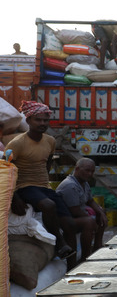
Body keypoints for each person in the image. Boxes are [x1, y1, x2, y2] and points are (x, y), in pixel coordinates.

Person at [5, 101, 75, 259]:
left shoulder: (50, 141)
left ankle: (73, 265)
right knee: (48, 205)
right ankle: (59, 244)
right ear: (28, 120)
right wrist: (14, 196)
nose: (42, 123)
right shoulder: (15, 144)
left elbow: (48, 162)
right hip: (24, 186)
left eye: (45, 120)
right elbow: (5, 169)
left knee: (70, 224)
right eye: (38, 119)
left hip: (43, 187)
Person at [56, 158, 108, 266]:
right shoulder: (70, 185)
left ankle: (97, 247)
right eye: (87, 170)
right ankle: (85, 257)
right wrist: (93, 220)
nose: (90, 174)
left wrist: (100, 213)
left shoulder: (84, 183)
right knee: (89, 222)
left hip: (76, 215)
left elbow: (90, 200)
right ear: (77, 169)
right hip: (65, 219)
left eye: (92, 171)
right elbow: (74, 210)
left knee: (101, 214)